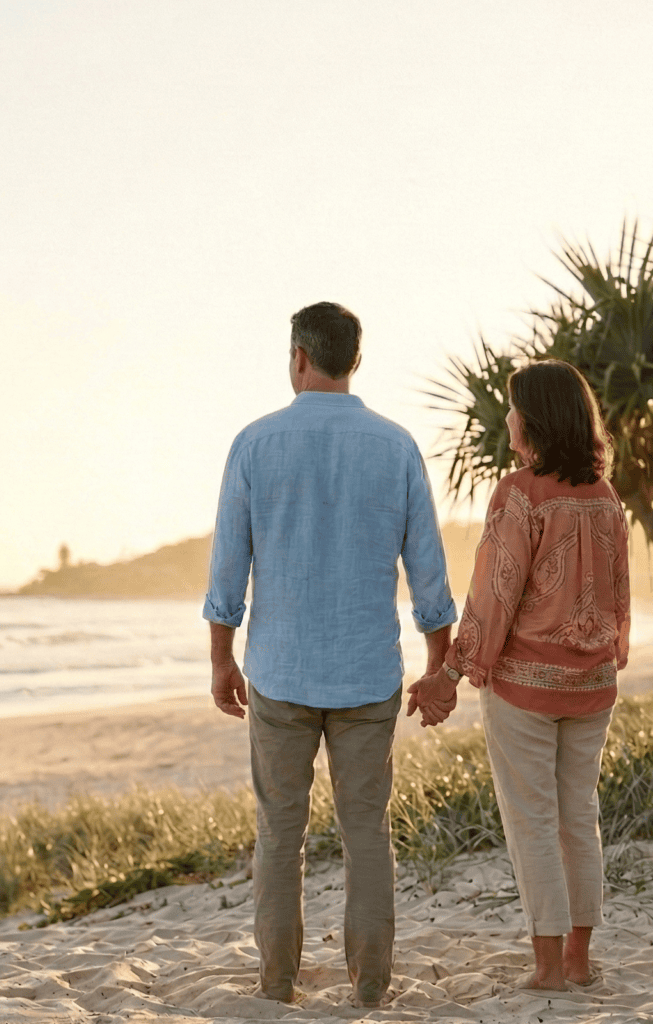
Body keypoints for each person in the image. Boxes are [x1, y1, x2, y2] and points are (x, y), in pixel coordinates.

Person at [204, 302, 458, 1008]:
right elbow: (429, 575)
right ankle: (371, 987)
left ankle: (278, 983)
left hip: (280, 675)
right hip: (366, 675)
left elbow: (229, 568)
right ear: (354, 361)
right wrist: (440, 667)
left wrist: (221, 659)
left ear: (298, 359)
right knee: (366, 832)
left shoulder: (254, 445)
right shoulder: (396, 446)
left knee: (280, 835)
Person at [408, 359, 630, 991]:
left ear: (532, 419)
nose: (504, 417)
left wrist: (448, 674)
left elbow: (492, 596)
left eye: (511, 407)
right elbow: (619, 596)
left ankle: (547, 968)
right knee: (576, 817)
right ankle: (581, 960)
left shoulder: (521, 492)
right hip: (592, 688)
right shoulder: (605, 496)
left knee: (532, 820)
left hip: (525, 690)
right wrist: (608, 657)